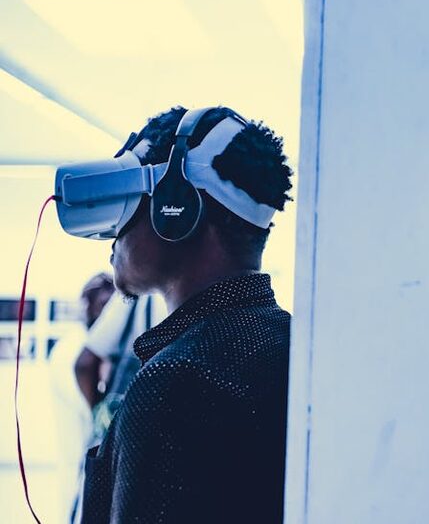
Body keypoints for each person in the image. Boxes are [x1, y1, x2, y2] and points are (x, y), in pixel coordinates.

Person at [57, 106, 293, 522]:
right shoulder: (286, 340)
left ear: (178, 207)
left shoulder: (178, 382)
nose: (112, 236)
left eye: (130, 200)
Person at [47, 273, 115, 523]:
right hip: (80, 460)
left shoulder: (87, 347)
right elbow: (95, 414)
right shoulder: (75, 350)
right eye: (103, 308)